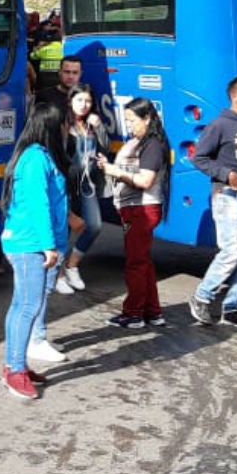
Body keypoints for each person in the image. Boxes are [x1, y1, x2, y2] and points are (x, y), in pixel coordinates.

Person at [0, 102, 73, 398]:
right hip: (30, 244)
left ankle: (16, 364)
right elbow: (38, 205)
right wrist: (48, 246)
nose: (68, 127)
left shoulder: (38, 156)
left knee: (23, 305)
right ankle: (14, 370)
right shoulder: (34, 159)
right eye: (65, 122)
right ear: (53, 126)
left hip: (31, 242)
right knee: (27, 307)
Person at [188, 75, 237, 327]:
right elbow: (199, 158)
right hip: (228, 198)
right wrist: (226, 175)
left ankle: (232, 308)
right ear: (235, 96)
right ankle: (202, 297)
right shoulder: (220, 124)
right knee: (231, 252)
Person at [103, 98, 171, 328]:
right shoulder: (143, 142)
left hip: (141, 210)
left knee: (135, 263)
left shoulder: (151, 145)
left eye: (132, 120)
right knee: (143, 261)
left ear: (147, 118)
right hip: (136, 208)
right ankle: (152, 311)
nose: (129, 125)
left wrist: (116, 171)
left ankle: (133, 314)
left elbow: (145, 180)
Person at [56, 84, 107, 294]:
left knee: (94, 225)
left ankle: (72, 265)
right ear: (70, 101)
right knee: (63, 229)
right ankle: (57, 275)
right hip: (66, 183)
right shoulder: (61, 124)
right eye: (79, 100)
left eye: (87, 101)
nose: (84, 105)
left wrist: (100, 127)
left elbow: (103, 147)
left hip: (87, 183)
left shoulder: (92, 124)